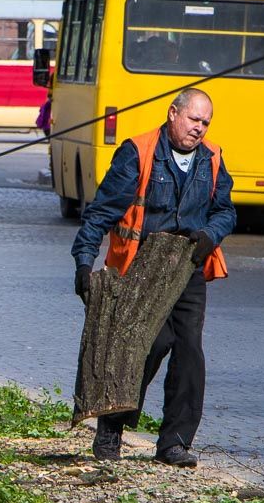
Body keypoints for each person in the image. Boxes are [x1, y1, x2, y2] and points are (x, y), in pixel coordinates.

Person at [71, 88, 236, 467]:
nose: (199, 129)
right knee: (147, 345)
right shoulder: (138, 152)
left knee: (190, 352)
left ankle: (174, 443)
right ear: (173, 113)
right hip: (141, 266)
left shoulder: (212, 159)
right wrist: (83, 264)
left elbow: (226, 212)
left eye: (206, 122)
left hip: (188, 264)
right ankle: (112, 428)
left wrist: (209, 236)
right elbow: (100, 213)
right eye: (194, 119)